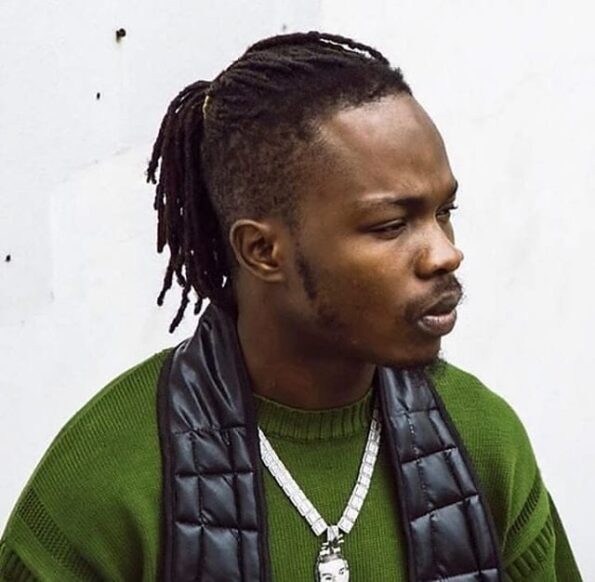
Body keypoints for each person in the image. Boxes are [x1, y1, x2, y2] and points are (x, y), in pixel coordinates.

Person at [0, 31, 582, 582]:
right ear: (262, 251)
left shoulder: (484, 440)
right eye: (390, 225)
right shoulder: (107, 478)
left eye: (443, 212)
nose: (445, 253)